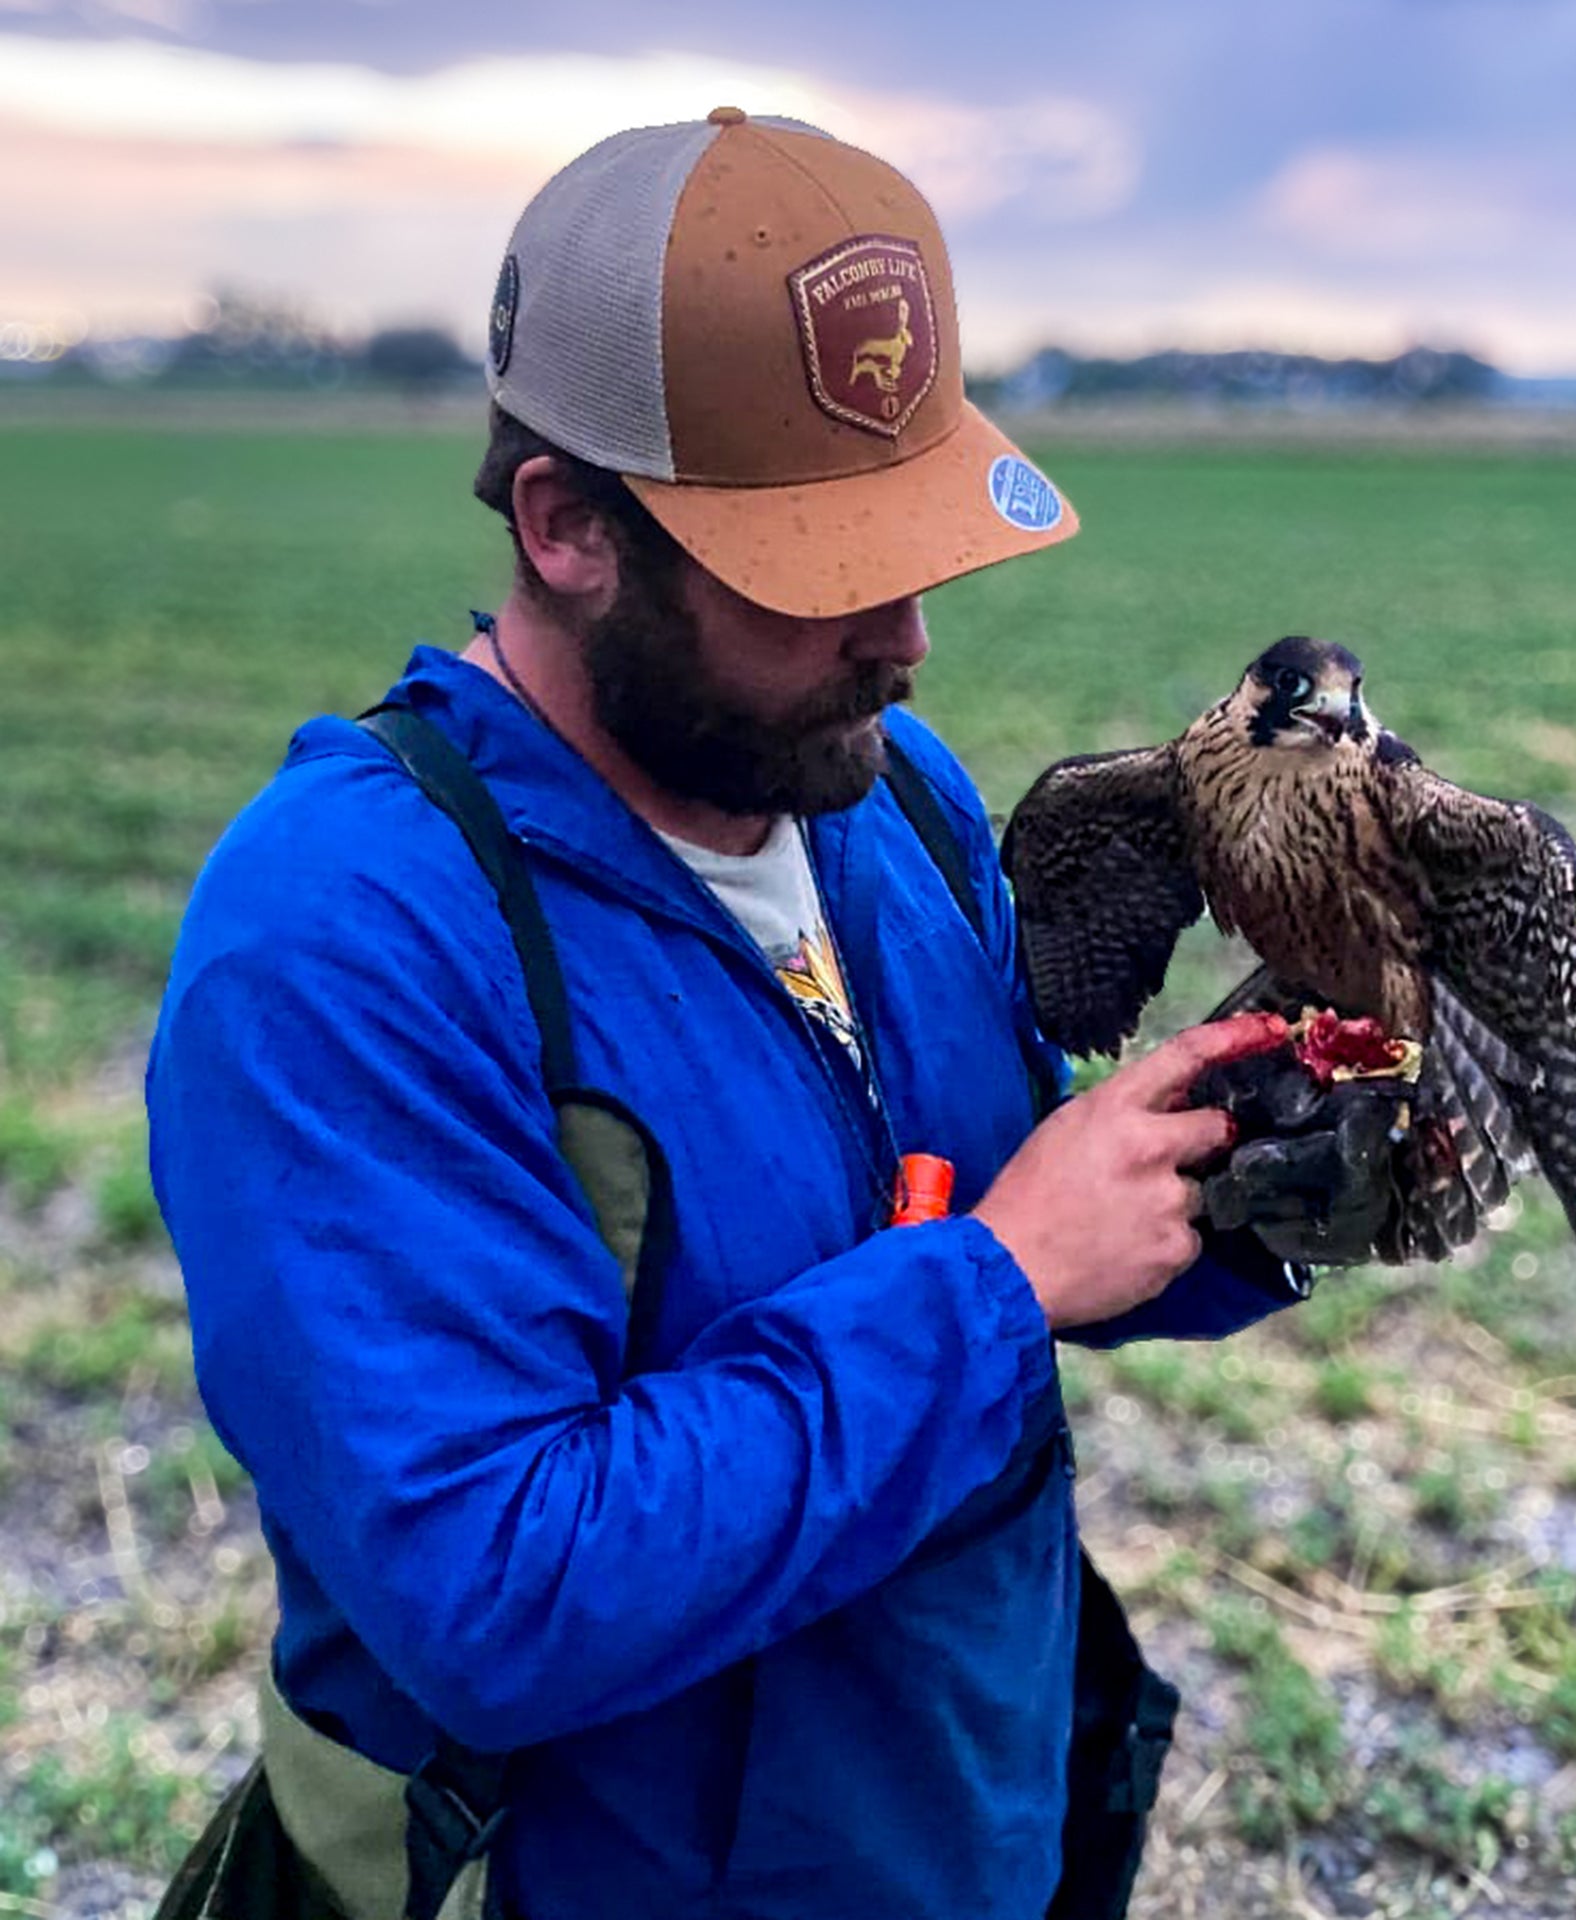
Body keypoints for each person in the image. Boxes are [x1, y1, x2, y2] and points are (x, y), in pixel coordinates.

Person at [147, 111, 1370, 1920]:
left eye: (917, 544)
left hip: (958, 1833)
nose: (904, 638)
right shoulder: (351, 935)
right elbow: (495, 1591)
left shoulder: (889, 798)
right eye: (819, 571)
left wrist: (1262, 1168)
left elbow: (992, 1196)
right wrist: (1000, 1287)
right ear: (567, 528)